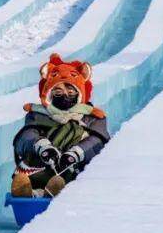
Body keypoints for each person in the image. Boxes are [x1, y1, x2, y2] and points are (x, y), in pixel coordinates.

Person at [11, 53, 111, 198]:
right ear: (50, 94)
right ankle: (31, 192)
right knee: (32, 173)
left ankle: (54, 191)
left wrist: (75, 153)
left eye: (70, 90)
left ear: (79, 93)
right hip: (43, 168)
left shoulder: (92, 118)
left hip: (75, 170)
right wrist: (42, 146)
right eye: (58, 91)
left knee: (68, 175)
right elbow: (25, 138)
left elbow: (97, 141)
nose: (64, 94)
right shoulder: (38, 115)